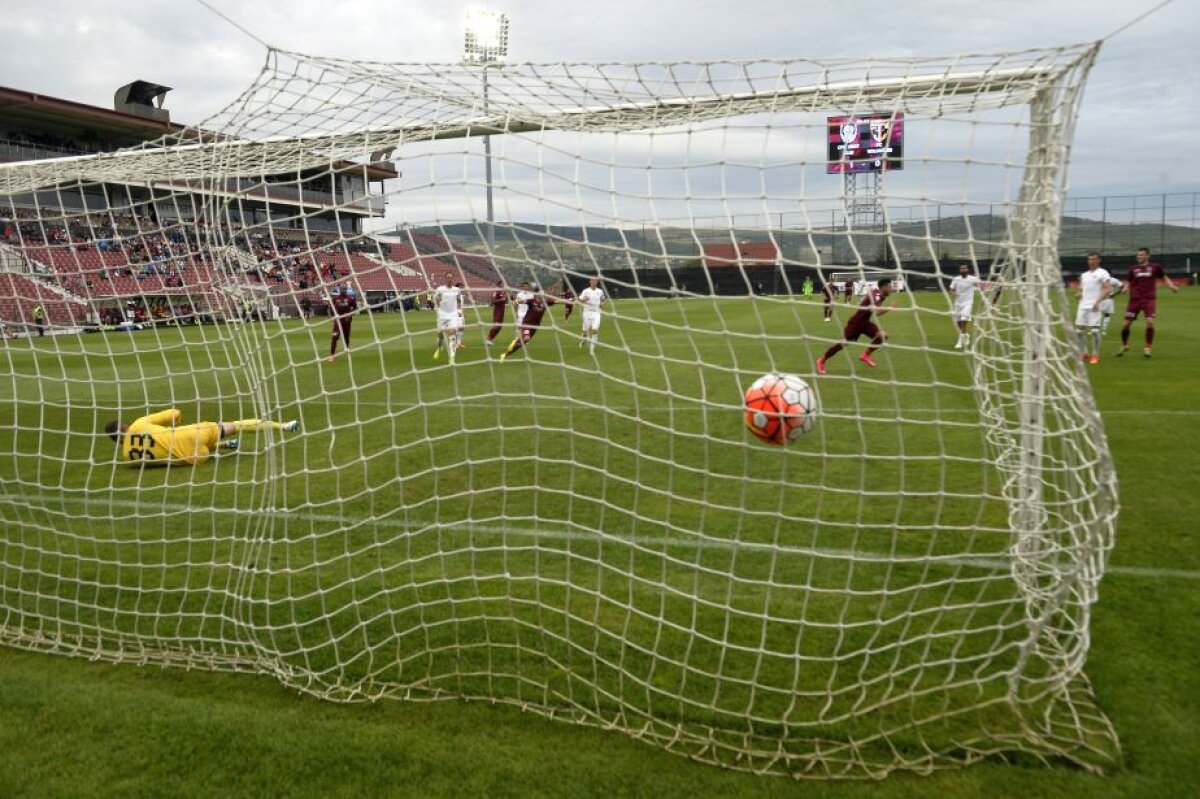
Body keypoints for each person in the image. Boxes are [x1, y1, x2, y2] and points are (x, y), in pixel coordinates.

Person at [104, 409, 298, 466]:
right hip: (194, 434)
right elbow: (175, 412)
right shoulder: (138, 424)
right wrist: (176, 425)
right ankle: (283, 426)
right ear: (125, 426)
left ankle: (223, 445)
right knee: (236, 425)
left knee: (183, 448)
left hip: (195, 459)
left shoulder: (127, 456)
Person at [816, 281, 893, 374]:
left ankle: (865, 355)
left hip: (865, 323)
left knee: (882, 335)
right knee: (841, 345)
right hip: (855, 324)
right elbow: (877, 312)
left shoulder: (878, 294)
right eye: (889, 287)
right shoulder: (876, 295)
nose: (891, 289)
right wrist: (890, 308)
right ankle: (821, 360)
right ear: (883, 287)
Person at [1118, 247, 1179, 358]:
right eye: (1138, 255)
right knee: (1126, 325)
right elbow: (1129, 280)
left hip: (1149, 299)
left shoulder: (1155, 267)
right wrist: (1125, 288)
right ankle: (1124, 344)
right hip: (1134, 300)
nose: (1139, 257)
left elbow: (1164, 277)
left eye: (1141, 255)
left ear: (1147, 256)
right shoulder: (1133, 269)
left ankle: (1147, 348)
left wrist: (1171, 286)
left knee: (1150, 322)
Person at [1075, 252, 1112, 365]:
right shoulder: (1084, 275)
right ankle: (1084, 353)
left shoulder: (1103, 273)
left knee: (1095, 331)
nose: (1091, 261)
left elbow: (1108, 289)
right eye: (1089, 259)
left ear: (1099, 260)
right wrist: (1079, 294)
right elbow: (1081, 289)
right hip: (1083, 305)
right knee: (1079, 331)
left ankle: (1095, 354)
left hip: (1095, 305)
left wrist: (1098, 301)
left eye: (1094, 259)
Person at [499, 289, 555, 360]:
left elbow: (556, 301)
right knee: (526, 338)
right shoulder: (532, 301)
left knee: (523, 342)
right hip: (527, 323)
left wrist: (568, 301)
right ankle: (514, 343)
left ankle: (505, 354)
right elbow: (523, 301)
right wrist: (516, 302)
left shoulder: (545, 302)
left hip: (535, 326)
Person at [431, 272, 463, 364]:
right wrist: (438, 308)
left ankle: (452, 358)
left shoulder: (457, 290)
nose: (450, 279)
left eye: (451, 278)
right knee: (440, 335)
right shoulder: (440, 289)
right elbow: (436, 299)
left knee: (452, 335)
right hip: (442, 315)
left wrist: (459, 310)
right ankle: (439, 346)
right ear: (445, 278)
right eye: (448, 277)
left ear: (453, 279)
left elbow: (458, 300)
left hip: (453, 315)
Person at [949, 263, 980, 350]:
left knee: (963, 320)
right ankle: (966, 335)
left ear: (968, 269)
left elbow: (981, 286)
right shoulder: (956, 279)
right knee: (958, 322)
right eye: (962, 268)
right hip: (958, 304)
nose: (963, 270)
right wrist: (952, 294)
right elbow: (951, 289)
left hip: (968, 303)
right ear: (959, 270)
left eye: (965, 268)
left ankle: (960, 341)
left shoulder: (973, 279)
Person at [326, 282, 358, 364]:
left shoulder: (350, 299)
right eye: (342, 289)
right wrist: (331, 315)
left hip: (347, 320)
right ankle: (332, 355)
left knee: (346, 336)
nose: (343, 290)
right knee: (334, 336)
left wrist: (350, 314)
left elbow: (355, 308)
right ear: (339, 290)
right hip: (337, 320)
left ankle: (347, 350)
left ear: (347, 290)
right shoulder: (335, 299)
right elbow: (330, 307)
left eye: (345, 289)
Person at [577, 277, 606, 355]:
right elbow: (579, 299)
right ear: (590, 282)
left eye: (595, 280)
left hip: (596, 313)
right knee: (585, 332)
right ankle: (583, 339)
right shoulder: (586, 291)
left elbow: (603, 299)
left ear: (597, 282)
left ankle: (592, 350)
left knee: (594, 330)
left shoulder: (600, 291)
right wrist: (584, 300)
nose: (594, 282)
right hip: (586, 313)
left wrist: (602, 304)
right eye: (592, 280)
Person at [485, 280, 509, 350]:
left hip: (502, 310)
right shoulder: (497, 291)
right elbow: (493, 301)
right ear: (499, 284)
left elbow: (505, 301)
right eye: (503, 284)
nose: (504, 285)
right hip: (497, 310)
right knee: (496, 324)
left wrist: (506, 296)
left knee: (500, 326)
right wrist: (501, 300)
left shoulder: (503, 292)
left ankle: (491, 340)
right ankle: (488, 339)